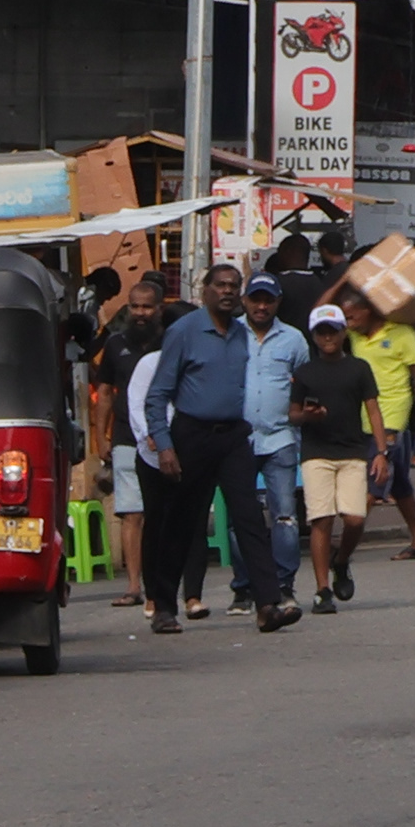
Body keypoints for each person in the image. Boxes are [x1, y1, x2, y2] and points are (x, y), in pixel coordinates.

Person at [141, 260, 297, 634]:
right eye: (221, 285)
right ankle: (164, 607)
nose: (227, 291)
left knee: (249, 516)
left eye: (233, 285)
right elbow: (157, 394)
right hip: (191, 434)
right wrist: (165, 446)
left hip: (232, 437)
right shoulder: (184, 331)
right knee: (181, 521)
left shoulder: (242, 334)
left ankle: (267, 604)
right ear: (206, 290)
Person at [287, 304, 387, 612]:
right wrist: (308, 415)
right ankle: (322, 590)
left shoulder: (359, 368)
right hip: (316, 452)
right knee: (322, 519)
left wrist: (381, 452)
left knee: (355, 518)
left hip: (352, 451)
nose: (327, 337)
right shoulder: (305, 373)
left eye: (333, 331)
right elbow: (293, 414)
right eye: (321, 332)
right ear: (313, 336)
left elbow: (373, 410)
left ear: (344, 333)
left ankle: (341, 560)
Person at [125, 322, 209, 624]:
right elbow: (138, 403)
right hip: (154, 456)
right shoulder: (150, 364)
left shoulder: (201, 363)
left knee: (195, 523)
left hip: (193, 451)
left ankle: (193, 596)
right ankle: (154, 595)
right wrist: (152, 435)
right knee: (158, 523)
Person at [341, 297, 415, 560]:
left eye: (352, 316)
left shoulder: (402, 334)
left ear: (368, 311)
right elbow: (318, 311)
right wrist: (344, 280)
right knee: (400, 483)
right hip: (365, 417)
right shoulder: (355, 335)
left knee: (374, 481)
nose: (348, 323)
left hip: (393, 415)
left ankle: (343, 546)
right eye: (345, 318)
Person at [93, 279, 168, 605]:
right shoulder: (115, 344)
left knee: (161, 513)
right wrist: (101, 437)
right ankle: (134, 586)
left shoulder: (171, 342)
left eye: (147, 307)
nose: (140, 313)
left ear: (159, 309)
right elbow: (105, 393)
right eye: (135, 306)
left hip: (165, 440)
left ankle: (163, 584)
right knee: (131, 513)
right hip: (126, 438)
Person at [237, 271, 311, 595]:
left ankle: (283, 584)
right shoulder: (231, 335)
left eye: (268, 300)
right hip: (239, 440)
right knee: (241, 518)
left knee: (285, 516)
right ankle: (244, 587)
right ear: (245, 301)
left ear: (278, 302)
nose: (262, 306)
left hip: (280, 438)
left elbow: (304, 386)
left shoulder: (294, 339)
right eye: (256, 300)